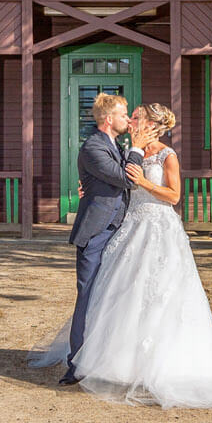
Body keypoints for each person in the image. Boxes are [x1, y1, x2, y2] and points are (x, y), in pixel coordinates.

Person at [31, 102, 212, 408]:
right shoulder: (128, 149)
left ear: (151, 124)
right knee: (124, 292)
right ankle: (121, 362)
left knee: (162, 293)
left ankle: (162, 362)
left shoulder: (167, 155)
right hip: (130, 226)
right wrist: (88, 189)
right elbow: (112, 177)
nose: (131, 120)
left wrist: (143, 181)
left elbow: (174, 195)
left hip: (159, 228)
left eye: (137, 117)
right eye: (130, 116)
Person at [56, 92, 143, 386]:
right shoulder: (93, 147)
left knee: (112, 296)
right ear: (109, 119)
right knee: (89, 295)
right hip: (95, 233)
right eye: (123, 115)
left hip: (119, 231)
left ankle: (104, 357)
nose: (128, 119)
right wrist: (138, 147)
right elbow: (127, 178)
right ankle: (76, 364)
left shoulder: (113, 144)